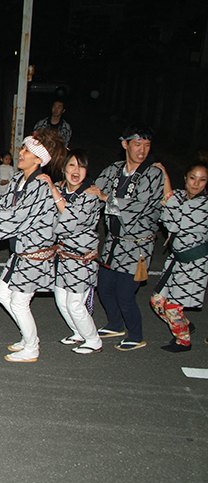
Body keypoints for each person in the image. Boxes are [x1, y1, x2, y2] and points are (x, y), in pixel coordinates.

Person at [0, 129, 68, 363]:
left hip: (34, 254)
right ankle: (29, 337)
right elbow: (4, 202)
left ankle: (32, 348)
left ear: (39, 159)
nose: (21, 153)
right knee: (2, 294)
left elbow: (18, 216)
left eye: (27, 151)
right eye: (23, 148)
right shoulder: (19, 179)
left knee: (19, 303)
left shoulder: (40, 185)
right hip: (21, 253)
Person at [92, 124, 165, 351]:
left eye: (147, 145)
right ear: (125, 144)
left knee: (125, 294)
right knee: (104, 287)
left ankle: (136, 334)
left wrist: (106, 198)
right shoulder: (114, 169)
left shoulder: (153, 173)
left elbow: (139, 206)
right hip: (113, 241)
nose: (142, 150)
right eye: (137, 144)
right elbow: (94, 190)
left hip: (137, 245)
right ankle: (115, 324)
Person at [45, 150, 104, 354]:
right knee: (61, 299)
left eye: (81, 166)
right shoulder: (62, 189)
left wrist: (53, 190)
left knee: (75, 304)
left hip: (82, 259)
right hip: (64, 256)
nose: (76, 170)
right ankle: (79, 332)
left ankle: (94, 340)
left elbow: (72, 218)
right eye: (72, 165)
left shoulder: (90, 194)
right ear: (63, 168)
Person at [150, 160, 208, 352]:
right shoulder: (179, 196)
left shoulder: (204, 206)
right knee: (157, 302)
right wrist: (166, 183)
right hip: (176, 261)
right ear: (185, 177)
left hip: (195, 263)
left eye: (202, 180)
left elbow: (174, 224)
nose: (196, 183)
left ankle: (183, 341)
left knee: (173, 308)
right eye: (193, 178)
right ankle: (184, 325)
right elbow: (167, 213)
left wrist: (166, 184)